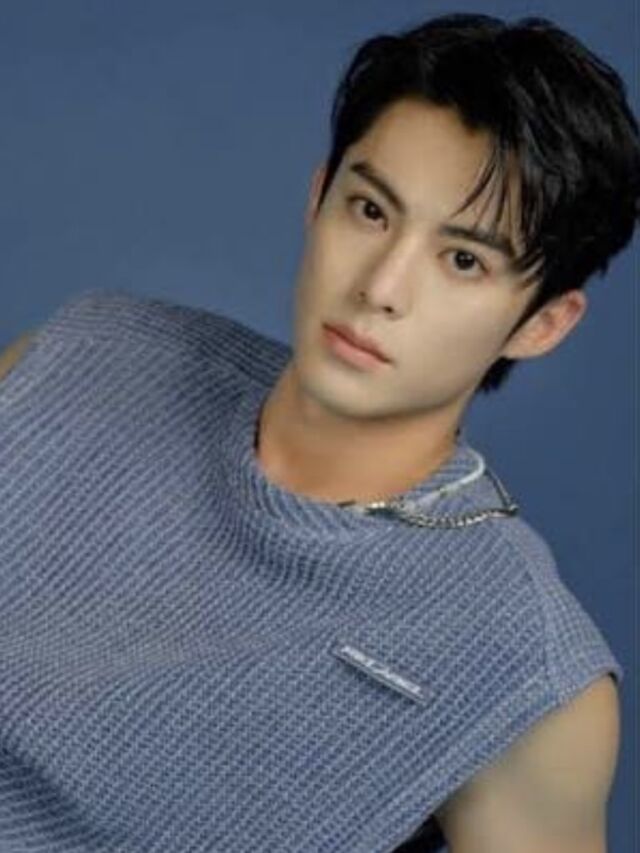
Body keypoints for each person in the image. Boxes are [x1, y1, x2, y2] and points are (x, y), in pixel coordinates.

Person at [0, 12, 637, 853]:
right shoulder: (84, 357)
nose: (382, 286)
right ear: (318, 197)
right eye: (370, 210)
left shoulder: (525, 668)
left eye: (463, 260)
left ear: (542, 323)